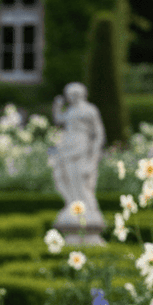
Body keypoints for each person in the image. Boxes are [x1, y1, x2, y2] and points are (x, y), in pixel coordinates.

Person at [49, 81, 106, 230]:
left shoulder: (90, 110)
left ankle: (87, 209)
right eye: (69, 95)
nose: (71, 98)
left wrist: (94, 158)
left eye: (73, 95)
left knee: (81, 180)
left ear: (81, 95)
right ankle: (73, 205)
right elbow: (59, 120)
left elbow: (99, 134)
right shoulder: (70, 110)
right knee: (65, 177)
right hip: (67, 147)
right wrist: (56, 107)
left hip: (82, 147)